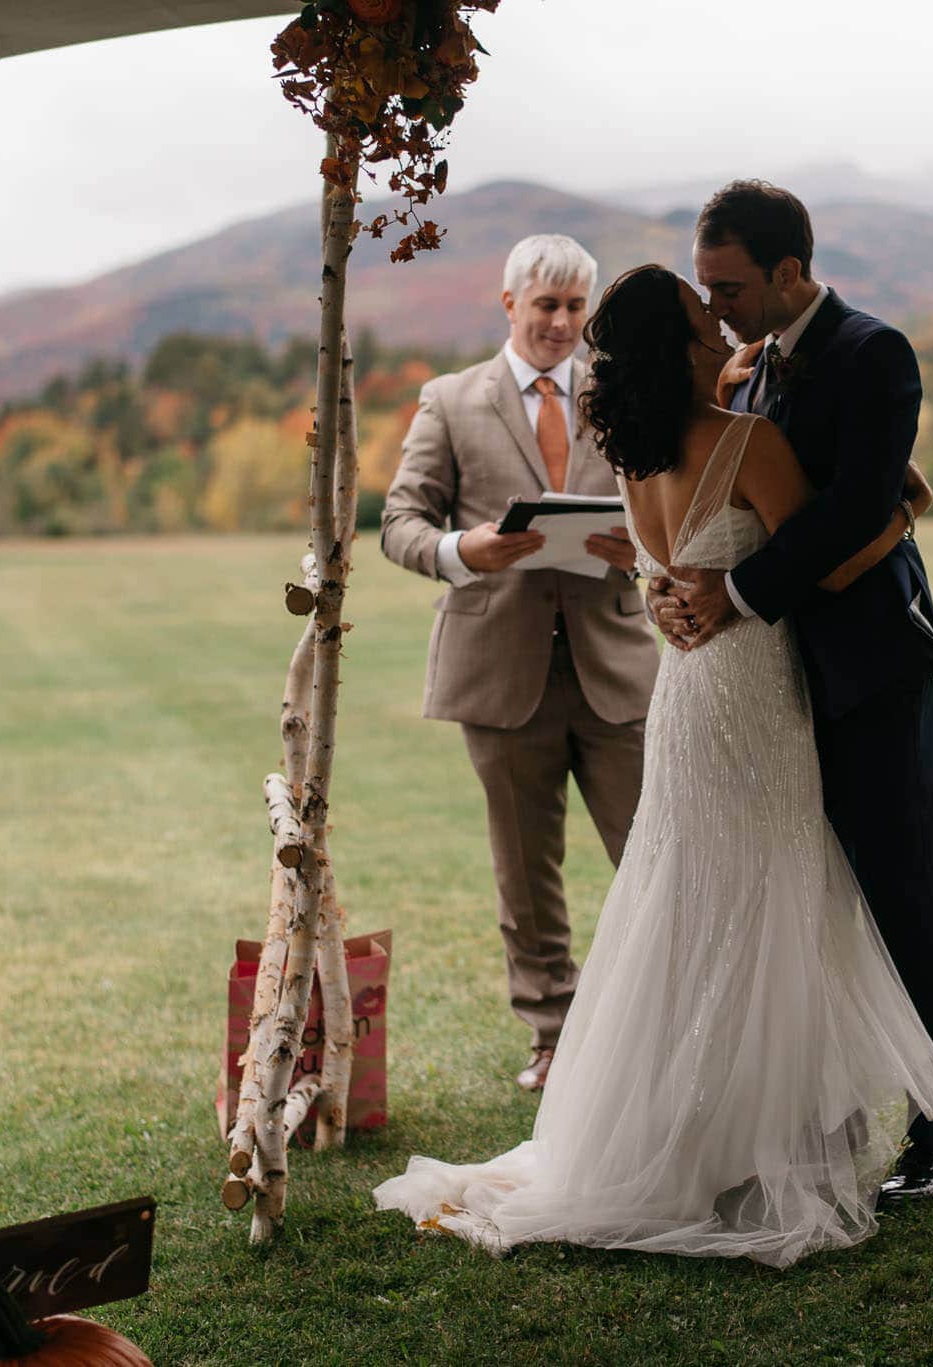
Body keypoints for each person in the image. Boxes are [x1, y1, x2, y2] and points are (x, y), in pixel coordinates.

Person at [373, 265, 933, 1268]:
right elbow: (829, 553)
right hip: (751, 694)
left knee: (687, 903)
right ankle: (757, 1136)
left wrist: (675, 593)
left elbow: (665, 570)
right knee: (767, 894)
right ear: (677, 345)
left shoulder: (633, 456)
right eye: (696, 318)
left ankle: (687, 1133)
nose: (712, 326)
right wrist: (902, 508)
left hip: (684, 694)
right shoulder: (745, 442)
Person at [655, 181, 933, 1202]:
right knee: (799, 907)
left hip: (866, 672)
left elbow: (849, 513)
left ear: (790, 271)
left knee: (906, 900)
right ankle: (814, 1122)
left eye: (730, 287)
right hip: (774, 693)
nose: (715, 309)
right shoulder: (748, 369)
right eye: (705, 290)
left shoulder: (872, 352)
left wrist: (733, 590)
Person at [379, 235, 658, 1093]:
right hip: (499, 669)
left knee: (656, 853)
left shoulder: (624, 397)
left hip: (615, 662)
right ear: (510, 305)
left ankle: (665, 1019)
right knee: (525, 873)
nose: (563, 323)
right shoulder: (451, 400)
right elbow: (400, 522)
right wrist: (471, 550)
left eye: (578, 307)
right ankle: (553, 1034)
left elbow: (669, 507)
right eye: (548, 306)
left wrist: (637, 546)